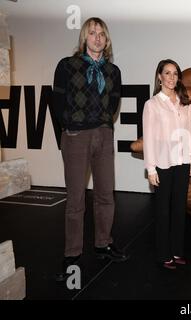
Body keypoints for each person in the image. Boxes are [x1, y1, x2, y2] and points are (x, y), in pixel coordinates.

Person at [53, 17, 128, 281]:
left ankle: (103, 243)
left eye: (102, 34)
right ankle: (72, 254)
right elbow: (58, 100)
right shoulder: (67, 65)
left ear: (106, 40)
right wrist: (69, 126)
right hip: (76, 136)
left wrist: (105, 123)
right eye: (92, 33)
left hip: (104, 135)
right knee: (75, 199)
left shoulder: (113, 71)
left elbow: (115, 100)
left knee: (106, 194)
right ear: (84, 37)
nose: (97, 38)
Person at [143, 59, 191, 270]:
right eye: (167, 73)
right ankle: (163, 254)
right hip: (163, 164)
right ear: (159, 76)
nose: (172, 77)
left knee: (179, 209)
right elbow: (149, 138)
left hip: (182, 162)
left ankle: (177, 251)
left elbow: (189, 132)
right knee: (163, 211)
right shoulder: (152, 104)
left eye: (175, 74)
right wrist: (151, 168)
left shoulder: (184, 103)